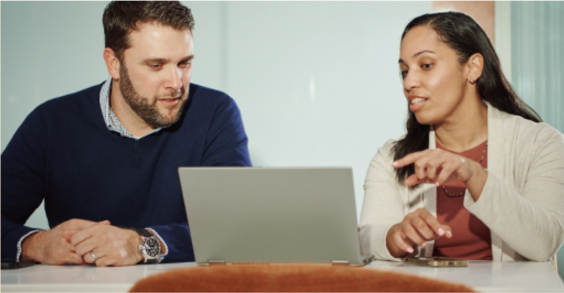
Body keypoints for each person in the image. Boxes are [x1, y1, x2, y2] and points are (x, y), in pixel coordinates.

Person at [1, 1, 251, 267]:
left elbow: (235, 228)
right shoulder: (51, 122)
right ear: (113, 63)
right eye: (156, 65)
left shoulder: (215, 112)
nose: (176, 83)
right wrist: (33, 243)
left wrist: (141, 243)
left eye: (184, 63)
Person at [359, 12, 564, 262]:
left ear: (472, 68)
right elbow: (367, 238)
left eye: (425, 65)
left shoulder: (540, 143)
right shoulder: (392, 158)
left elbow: (544, 243)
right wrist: (394, 236)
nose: (409, 82)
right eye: (404, 71)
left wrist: (474, 175)